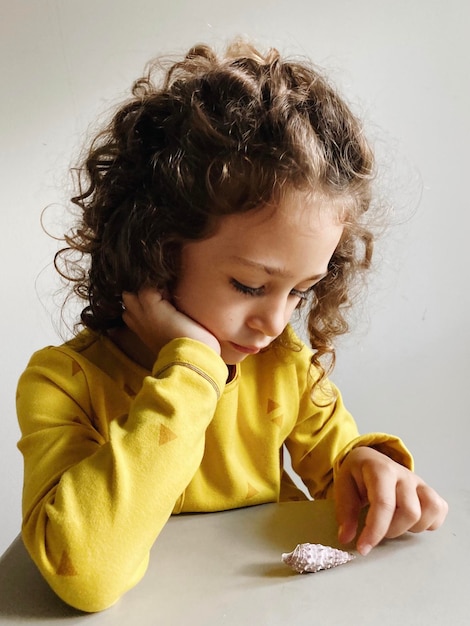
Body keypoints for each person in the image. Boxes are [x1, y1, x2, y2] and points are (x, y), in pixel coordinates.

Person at [16, 40, 448, 613]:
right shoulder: (62, 384)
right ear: (157, 251)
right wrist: (192, 366)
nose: (275, 322)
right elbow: (87, 573)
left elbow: (337, 461)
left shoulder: (282, 366)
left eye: (301, 290)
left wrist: (368, 468)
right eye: (249, 286)